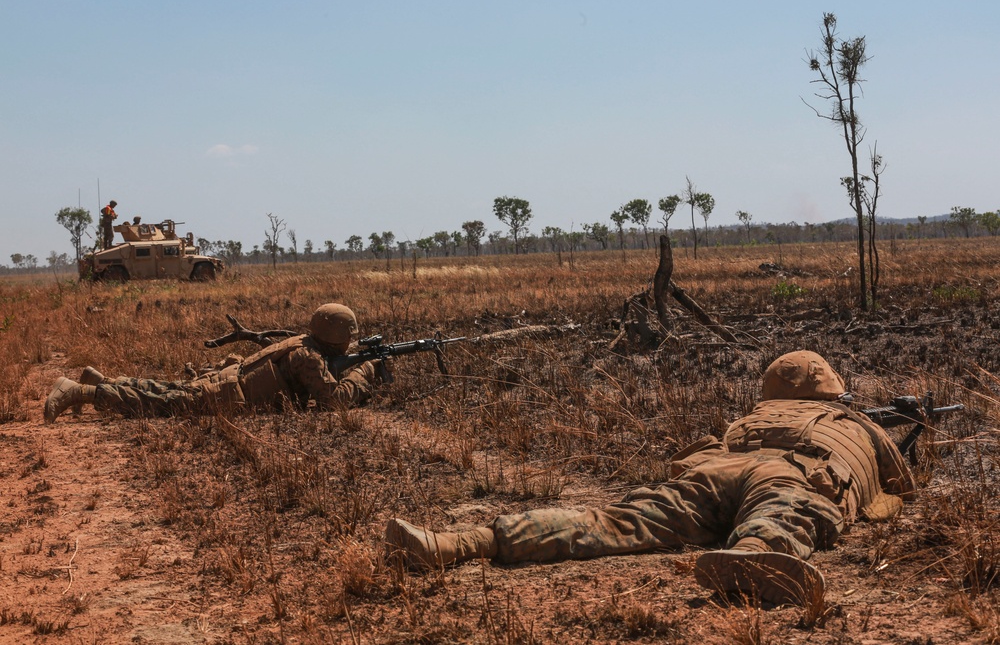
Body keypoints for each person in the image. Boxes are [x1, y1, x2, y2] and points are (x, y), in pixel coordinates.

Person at [385, 350, 914, 606]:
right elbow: (902, 489)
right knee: (786, 509)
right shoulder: (856, 421)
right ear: (835, 394)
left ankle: (461, 541)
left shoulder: (752, 416)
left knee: (614, 520)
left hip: (713, 471)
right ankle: (753, 552)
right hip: (794, 472)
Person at [44, 304, 389, 422]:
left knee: (165, 390)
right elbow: (333, 402)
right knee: (159, 405)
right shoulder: (308, 357)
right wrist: (366, 371)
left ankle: (104, 381)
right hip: (225, 395)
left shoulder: (307, 343)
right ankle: (80, 391)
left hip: (225, 382)